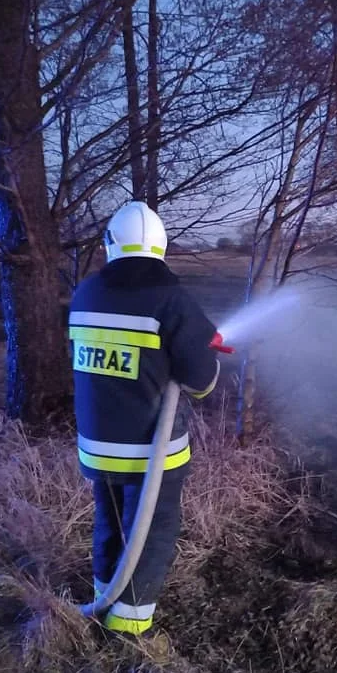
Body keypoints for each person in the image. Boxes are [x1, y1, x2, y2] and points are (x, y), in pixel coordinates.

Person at [68, 200, 221, 637]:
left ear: (110, 245)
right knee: (151, 532)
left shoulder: (86, 293)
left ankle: (105, 597)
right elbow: (201, 382)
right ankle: (128, 630)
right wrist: (195, 351)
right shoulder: (171, 299)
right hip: (152, 455)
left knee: (110, 523)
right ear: (162, 246)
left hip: (97, 447)